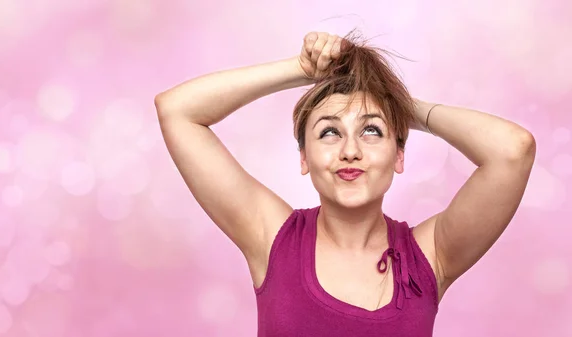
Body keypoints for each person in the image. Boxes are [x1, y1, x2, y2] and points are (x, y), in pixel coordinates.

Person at [154, 30, 536, 336]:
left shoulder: (431, 254)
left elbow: (512, 150)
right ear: (304, 157)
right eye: (329, 133)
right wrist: (301, 69)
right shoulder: (273, 238)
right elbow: (178, 110)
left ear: (398, 154)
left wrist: (398, 103)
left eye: (371, 130)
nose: (350, 151)